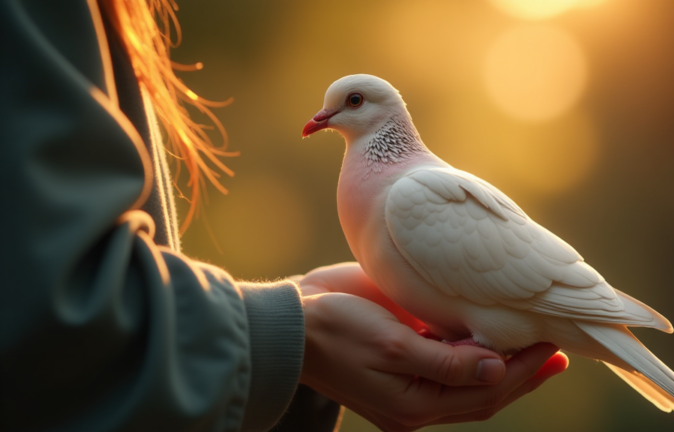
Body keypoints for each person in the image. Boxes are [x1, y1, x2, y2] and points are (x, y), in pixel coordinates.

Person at [0, 1, 568, 431]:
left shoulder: (417, 193)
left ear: (382, 113)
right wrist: (299, 332)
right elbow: (48, 317)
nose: (325, 117)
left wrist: (299, 314)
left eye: (348, 105)